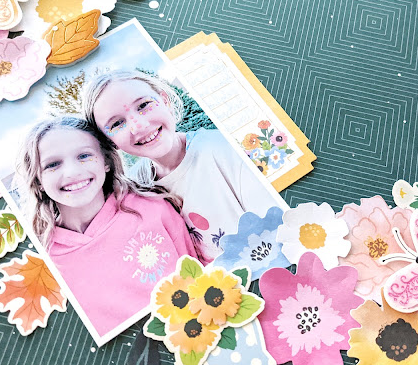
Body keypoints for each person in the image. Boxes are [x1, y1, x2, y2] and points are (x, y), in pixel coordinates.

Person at [16, 116, 197, 337]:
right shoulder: (39, 259)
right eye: (52, 165)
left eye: (84, 156)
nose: (72, 172)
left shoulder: (153, 209)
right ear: (38, 180)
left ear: (106, 161)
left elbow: (200, 280)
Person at [83, 69, 283, 261]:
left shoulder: (225, 150)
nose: (139, 126)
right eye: (117, 124)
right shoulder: (134, 191)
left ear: (165, 101)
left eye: (143, 105)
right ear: (109, 142)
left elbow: (281, 231)